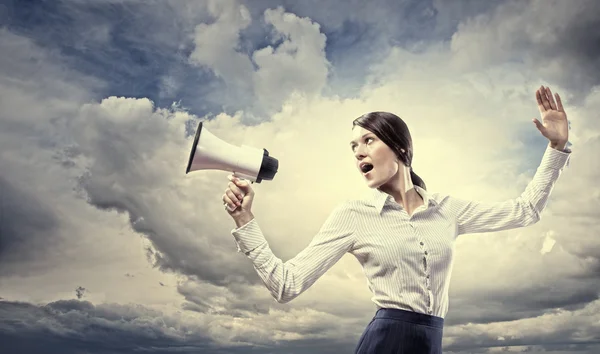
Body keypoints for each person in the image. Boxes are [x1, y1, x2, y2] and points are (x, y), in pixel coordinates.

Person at [221, 85, 572, 353]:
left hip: (431, 340)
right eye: (353, 147)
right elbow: (286, 285)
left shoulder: (448, 210)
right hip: (385, 341)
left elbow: (525, 211)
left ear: (400, 148)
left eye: (368, 140)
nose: (358, 151)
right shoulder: (353, 215)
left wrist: (556, 148)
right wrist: (245, 220)